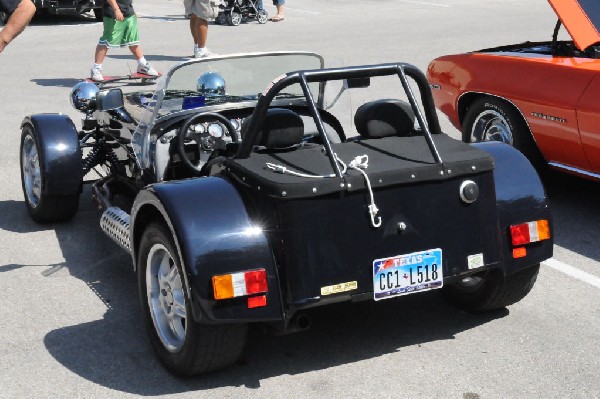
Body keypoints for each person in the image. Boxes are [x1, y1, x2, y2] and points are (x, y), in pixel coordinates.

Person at [90, 0, 158, 81]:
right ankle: (96, 69)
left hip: (128, 12)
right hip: (113, 13)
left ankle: (142, 65)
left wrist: (132, 11)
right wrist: (116, 10)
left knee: (133, 40)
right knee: (106, 42)